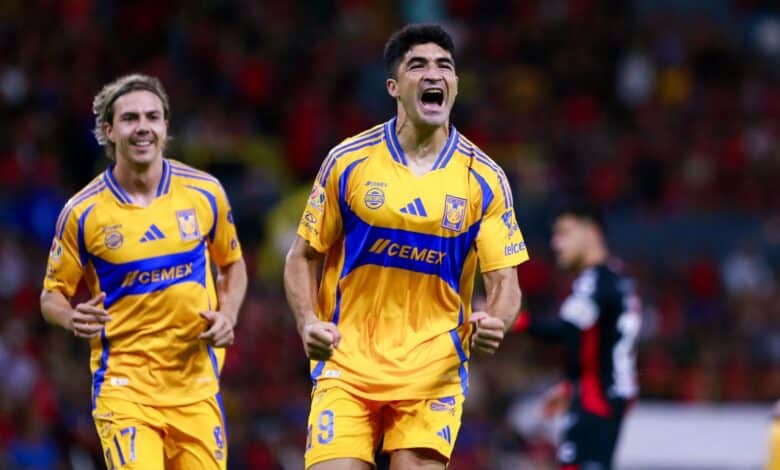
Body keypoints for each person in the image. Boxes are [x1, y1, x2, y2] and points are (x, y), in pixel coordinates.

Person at [284, 23, 529, 469]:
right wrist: (306, 322)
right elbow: (302, 256)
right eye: (419, 65)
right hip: (348, 362)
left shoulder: (485, 179)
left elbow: (504, 281)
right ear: (395, 87)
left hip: (432, 370)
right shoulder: (348, 162)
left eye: (445, 66)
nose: (434, 74)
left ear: (454, 86)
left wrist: (496, 320)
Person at [40, 74, 247, 469]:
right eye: (130, 118)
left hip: (197, 388)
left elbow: (232, 263)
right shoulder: (83, 213)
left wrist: (229, 314)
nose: (142, 127)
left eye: (153, 117)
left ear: (166, 126)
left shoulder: (205, 192)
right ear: (109, 130)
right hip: (125, 390)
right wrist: (71, 317)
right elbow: (51, 295)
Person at [513, 204, 640, 469]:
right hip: (604, 393)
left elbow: (566, 330)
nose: (556, 243)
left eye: (564, 233)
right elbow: (599, 341)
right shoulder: (618, 279)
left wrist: (515, 320)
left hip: (596, 397)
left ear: (591, 233)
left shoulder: (595, 281)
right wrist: (571, 384)